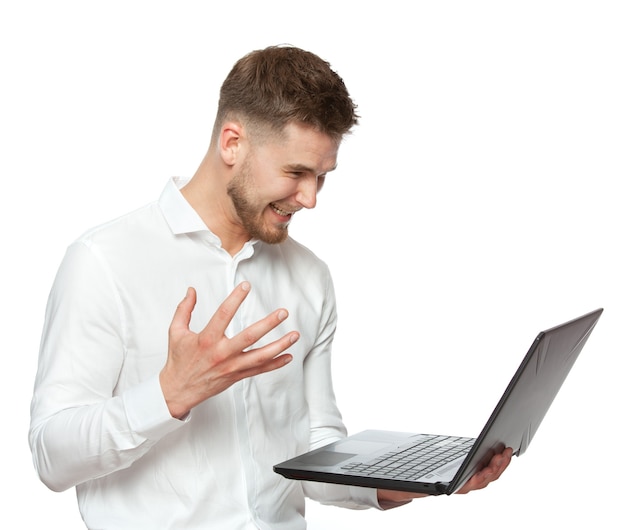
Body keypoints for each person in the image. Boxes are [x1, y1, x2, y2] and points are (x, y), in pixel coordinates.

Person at [29, 45, 512, 528]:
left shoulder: (309, 276)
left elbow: (312, 451)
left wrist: (411, 480)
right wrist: (169, 394)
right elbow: (52, 457)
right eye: (296, 172)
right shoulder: (104, 261)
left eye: (322, 177)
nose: (310, 198)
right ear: (232, 143)